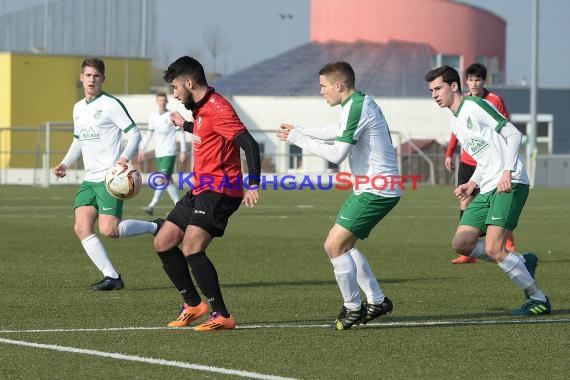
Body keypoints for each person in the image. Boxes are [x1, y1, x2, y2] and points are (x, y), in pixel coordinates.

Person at [278, 61, 401, 330]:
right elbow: (334, 132)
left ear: (338, 85)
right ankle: (377, 301)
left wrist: (297, 139)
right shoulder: (356, 103)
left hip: (377, 189)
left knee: (333, 246)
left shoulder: (357, 106)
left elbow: (337, 154)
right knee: (346, 247)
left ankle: (353, 307)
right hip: (371, 187)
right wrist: (298, 130)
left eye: (323, 86)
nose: (321, 91)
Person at [425, 65, 551, 315]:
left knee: (495, 248)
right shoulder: (456, 121)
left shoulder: (474, 107)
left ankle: (538, 299)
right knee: (462, 243)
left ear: (453, 86)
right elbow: (485, 157)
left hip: (510, 182)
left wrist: (507, 171)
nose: (434, 94)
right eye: (431, 90)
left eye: (438, 88)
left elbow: (514, 134)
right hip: (488, 184)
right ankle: (522, 262)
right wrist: (473, 182)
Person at [154, 56, 261, 331]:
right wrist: (185, 125)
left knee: (191, 247)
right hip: (201, 187)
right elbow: (209, 133)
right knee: (164, 241)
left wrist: (253, 183)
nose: (175, 95)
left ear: (189, 83)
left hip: (222, 189)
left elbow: (249, 144)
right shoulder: (200, 109)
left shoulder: (218, 107)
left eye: (176, 88)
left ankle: (222, 315)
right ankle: (192, 305)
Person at [53, 58, 160, 291]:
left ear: (103, 79)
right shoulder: (78, 108)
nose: (92, 79)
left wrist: (124, 158)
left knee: (110, 230)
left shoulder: (111, 104)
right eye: (88, 75)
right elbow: (78, 140)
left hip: (110, 179)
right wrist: (65, 163)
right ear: (81, 78)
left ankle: (154, 227)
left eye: (96, 76)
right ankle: (112, 277)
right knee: (81, 227)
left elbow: (134, 134)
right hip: (89, 180)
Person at [445, 63, 515, 264]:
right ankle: (467, 252)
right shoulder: (462, 101)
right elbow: (456, 131)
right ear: (465, 81)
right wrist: (449, 153)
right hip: (467, 161)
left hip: (490, 163)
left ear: (484, 81)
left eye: (478, 80)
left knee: (496, 205)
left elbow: (505, 128)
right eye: (471, 79)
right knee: (464, 201)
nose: (474, 84)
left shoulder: (493, 100)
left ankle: (507, 245)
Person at [138, 91, 187, 216]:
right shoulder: (153, 117)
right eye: (160, 100)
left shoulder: (171, 116)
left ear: (167, 101)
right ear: (157, 102)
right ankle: (178, 205)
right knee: (167, 180)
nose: (162, 102)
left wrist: (183, 150)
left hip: (169, 152)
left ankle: (152, 205)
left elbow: (180, 133)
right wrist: (142, 148)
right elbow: (149, 133)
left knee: (161, 178)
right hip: (159, 153)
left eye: (164, 100)